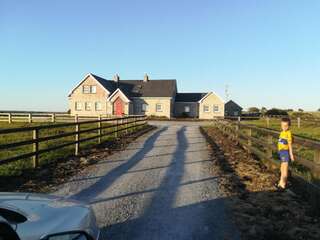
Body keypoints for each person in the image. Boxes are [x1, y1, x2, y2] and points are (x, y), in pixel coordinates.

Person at [276, 117, 294, 190]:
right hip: (281, 152)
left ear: (289, 126)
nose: (284, 127)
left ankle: (283, 184)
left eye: (286, 126)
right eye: (282, 125)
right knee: (282, 167)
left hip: (285, 152)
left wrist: (291, 154)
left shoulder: (288, 133)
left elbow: (290, 145)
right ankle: (280, 182)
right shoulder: (282, 132)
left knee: (285, 169)